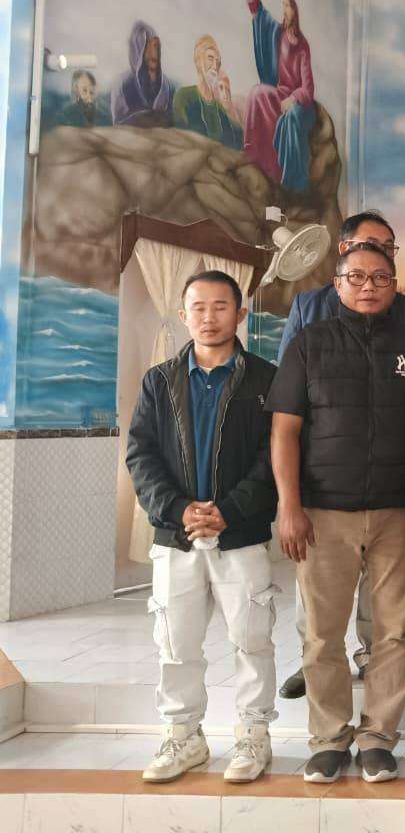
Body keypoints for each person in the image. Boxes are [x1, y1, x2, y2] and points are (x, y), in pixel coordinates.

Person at [268, 243, 405, 785]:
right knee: (322, 634)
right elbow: (284, 431)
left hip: (398, 512)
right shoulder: (309, 344)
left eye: (380, 277)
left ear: (394, 286)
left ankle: (378, 738)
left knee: (393, 634)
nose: (368, 286)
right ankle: (329, 738)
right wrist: (289, 506)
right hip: (323, 513)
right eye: (356, 277)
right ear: (336, 285)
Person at [125, 270, 278, 784]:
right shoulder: (160, 380)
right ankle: (183, 736)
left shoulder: (266, 379)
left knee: (252, 639)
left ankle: (253, 736)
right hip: (177, 537)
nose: (209, 317)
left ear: (241, 314)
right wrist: (178, 508)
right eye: (198, 307)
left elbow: (275, 456)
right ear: (183, 314)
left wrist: (230, 509)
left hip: (241, 535)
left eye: (220, 306)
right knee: (176, 644)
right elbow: (141, 453)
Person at [243, 0, 315, 191]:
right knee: (257, 93)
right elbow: (255, 7)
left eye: (287, 5)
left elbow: (308, 89)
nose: (283, 8)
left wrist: (293, 99)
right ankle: (254, 159)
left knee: (290, 118)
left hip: (295, 101)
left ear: (294, 11)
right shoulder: (276, 33)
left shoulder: (302, 46)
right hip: (279, 93)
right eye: (282, 4)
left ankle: (288, 179)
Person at [173, 35, 243, 150]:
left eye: (218, 62)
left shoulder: (220, 109)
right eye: (210, 58)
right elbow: (180, 140)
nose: (215, 66)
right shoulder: (184, 97)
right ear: (198, 62)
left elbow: (234, 142)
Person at [112, 19, 174, 127]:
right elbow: (117, 124)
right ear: (138, 51)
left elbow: (170, 122)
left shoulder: (166, 86)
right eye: (147, 47)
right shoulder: (123, 84)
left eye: (155, 46)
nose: (153, 53)